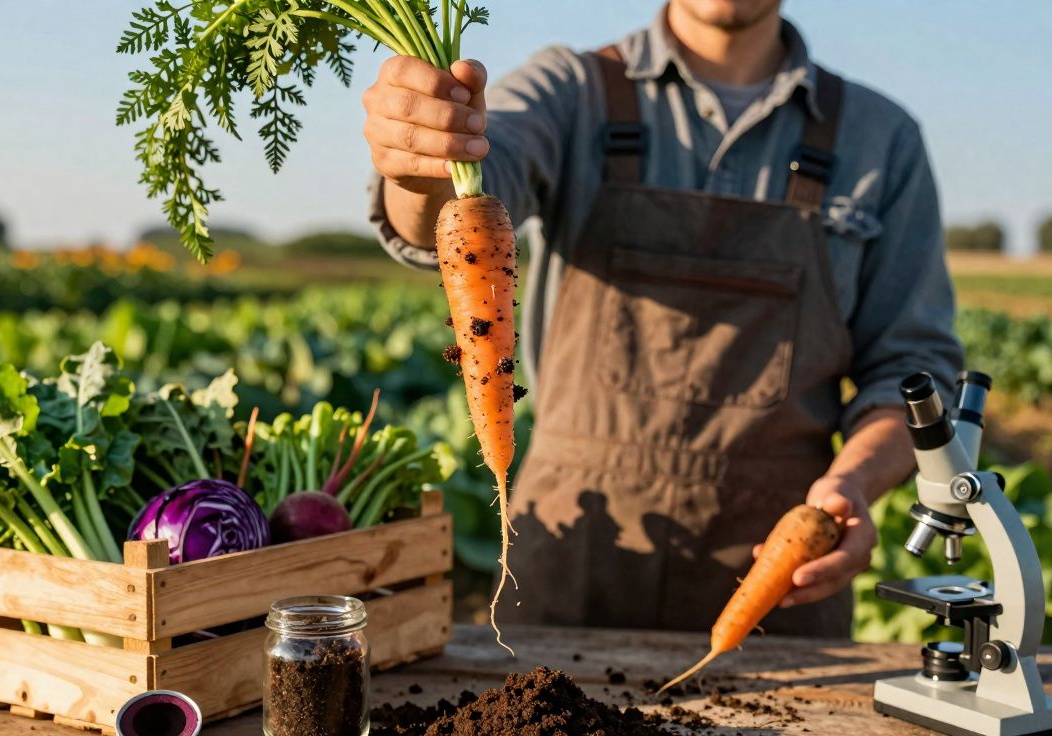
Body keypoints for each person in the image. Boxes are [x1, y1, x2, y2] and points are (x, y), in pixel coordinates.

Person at [362, 0, 964, 635]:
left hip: (776, 585)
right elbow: (463, 191)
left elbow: (911, 371)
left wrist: (852, 485)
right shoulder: (570, 89)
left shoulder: (880, 137)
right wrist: (419, 160)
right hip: (569, 561)